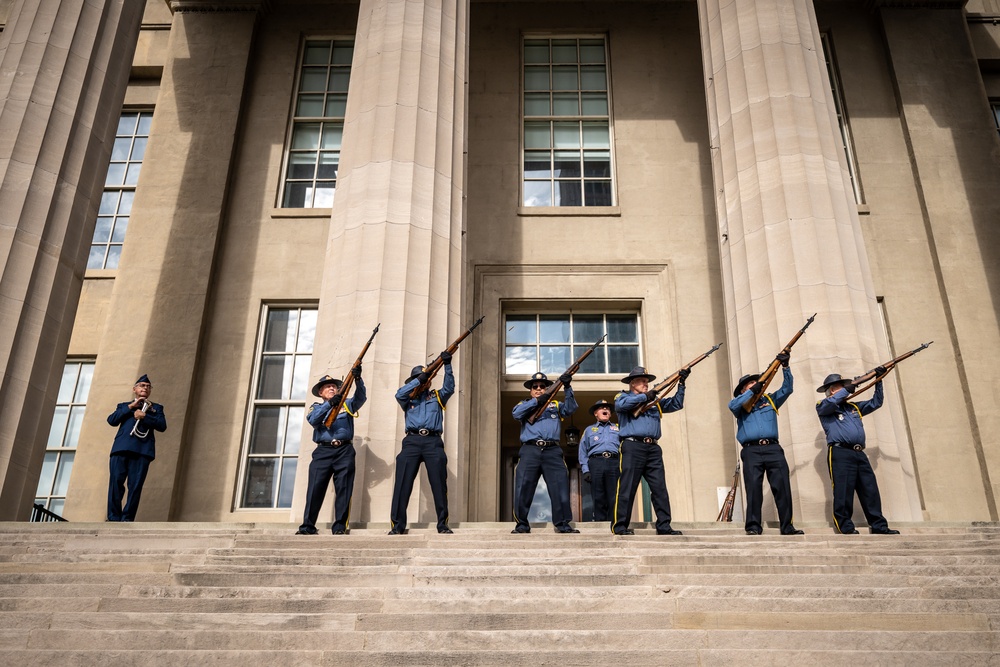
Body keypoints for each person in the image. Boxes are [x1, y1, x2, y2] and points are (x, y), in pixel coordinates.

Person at [816, 368, 900, 535]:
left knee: (870, 489)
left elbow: (876, 403)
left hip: (859, 453)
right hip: (840, 452)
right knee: (843, 490)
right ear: (832, 390)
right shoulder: (824, 406)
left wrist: (878, 381)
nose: (844, 389)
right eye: (840, 387)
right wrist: (850, 387)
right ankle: (845, 526)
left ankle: (879, 526)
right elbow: (831, 403)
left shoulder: (853, 407)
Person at [728, 353, 804, 536]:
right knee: (753, 489)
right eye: (750, 384)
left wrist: (785, 367)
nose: (754, 385)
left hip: (773, 448)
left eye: (756, 383)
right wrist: (751, 393)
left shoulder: (770, 400)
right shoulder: (741, 405)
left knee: (782, 488)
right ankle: (753, 526)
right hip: (751, 450)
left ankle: (787, 526)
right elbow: (732, 405)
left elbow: (787, 389)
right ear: (743, 390)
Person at [612, 366, 687, 536]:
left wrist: (681, 384)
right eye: (643, 381)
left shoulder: (654, 402)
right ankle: (620, 526)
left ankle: (664, 526)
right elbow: (620, 405)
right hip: (632, 446)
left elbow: (676, 404)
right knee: (627, 487)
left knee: (659, 488)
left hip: (653, 448)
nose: (646, 384)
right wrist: (645, 396)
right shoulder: (623, 396)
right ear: (632, 383)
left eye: (647, 382)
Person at [388, 352, 455, 535]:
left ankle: (442, 524)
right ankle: (397, 526)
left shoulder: (437, 396)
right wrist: (418, 380)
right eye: (419, 378)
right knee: (403, 483)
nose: (423, 381)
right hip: (411, 441)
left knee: (439, 484)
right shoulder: (408, 398)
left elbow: (449, 388)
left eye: (426, 378)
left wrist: (447, 365)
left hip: (433, 441)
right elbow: (398, 393)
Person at [296, 367, 366, 535]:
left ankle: (340, 526)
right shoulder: (316, 407)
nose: (332, 388)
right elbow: (313, 420)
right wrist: (329, 404)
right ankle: (308, 526)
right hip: (323, 451)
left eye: (334, 386)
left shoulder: (346, 404)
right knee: (315, 489)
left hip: (344, 450)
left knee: (344, 488)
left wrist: (358, 380)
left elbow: (361, 398)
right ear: (321, 392)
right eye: (327, 387)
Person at [511, 371, 579, 534]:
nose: (539, 389)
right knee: (523, 487)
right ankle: (521, 524)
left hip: (552, 450)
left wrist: (567, 387)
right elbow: (516, 414)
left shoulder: (555, 405)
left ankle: (562, 524)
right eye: (535, 387)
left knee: (560, 487)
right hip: (530, 449)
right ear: (531, 390)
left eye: (543, 386)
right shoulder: (524, 404)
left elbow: (571, 408)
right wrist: (536, 402)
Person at [106, 374, 166, 522]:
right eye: (142, 385)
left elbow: (162, 426)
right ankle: (113, 518)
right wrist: (131, 408)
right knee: (115, 483)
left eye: (148, 386)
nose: (145, 388)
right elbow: (111, 420)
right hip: (121, 449)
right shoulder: (123, 406)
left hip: (142, 451)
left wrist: (145, 416)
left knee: (135, 487)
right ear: (135, 389)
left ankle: (127, 518)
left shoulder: (156, 408)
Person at [578, 399, 620, 522]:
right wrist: (585, 470)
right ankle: (601, 523)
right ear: (596, 413)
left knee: (614, 495)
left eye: (607, 408)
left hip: (614, 462)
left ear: (610, 414)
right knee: (598, 496)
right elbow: (582, 451)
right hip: (596, 462)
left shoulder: (618, 428)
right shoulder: (589, 430)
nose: (605, 409)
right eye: (602, 408)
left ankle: (615, 523)